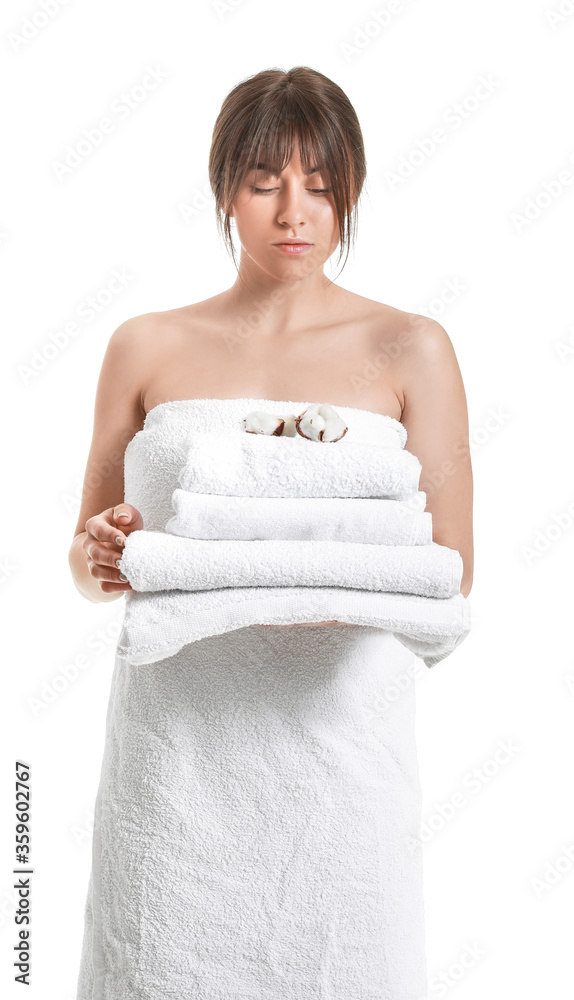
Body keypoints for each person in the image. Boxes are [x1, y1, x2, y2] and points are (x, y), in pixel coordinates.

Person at [70, 65, 473, 998]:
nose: (295, 211)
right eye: (263, 182)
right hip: (176, 771)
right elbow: (92, 561)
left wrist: (306, 584)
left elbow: (447, 571)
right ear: (223, 191)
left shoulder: (411, 348)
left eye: (321, 186)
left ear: (351, 193)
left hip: (341, 761)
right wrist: (102, 553)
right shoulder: (147, 344)